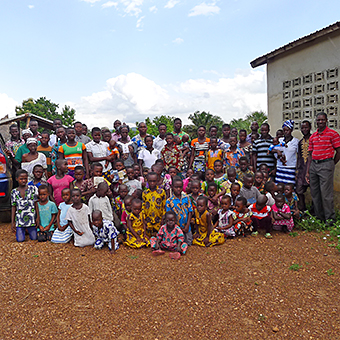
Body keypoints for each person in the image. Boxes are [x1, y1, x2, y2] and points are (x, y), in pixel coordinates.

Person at [306, 112, 340, 225]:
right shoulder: (313, 136)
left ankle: (330, 220)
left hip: (326, 164)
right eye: (318, 120)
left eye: (322, 120)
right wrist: (308, 171)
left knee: (326, 194)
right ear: (316, 121)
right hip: (314, 166)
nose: (320, 122)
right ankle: (319, 218)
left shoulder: (333, 134)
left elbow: (338, 151)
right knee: (315, 193)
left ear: (326, 121)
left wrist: (331, 163)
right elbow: (310, 154)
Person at [11, 169, 38, 242]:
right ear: (16, 179)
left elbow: (36, 204)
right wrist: (12, 222)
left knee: (34, 238)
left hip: (31, 218)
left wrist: (37, 218)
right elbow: (13, 207)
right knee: (20, 240)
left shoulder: (32, 189)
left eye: (25, 179)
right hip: (20, 219)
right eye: (21, 179)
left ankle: (27, 230)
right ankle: (22, 231)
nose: (23, 181)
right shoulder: (14, 192)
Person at [165, 177, 193, 245]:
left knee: (189, 243)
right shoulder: (169, 201)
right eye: (176, 187)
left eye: (180, 187)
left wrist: (187, 225)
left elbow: (190, 211)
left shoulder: (186, 197)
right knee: (176, 243)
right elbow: (169, 216)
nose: (178, 189)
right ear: (172, 187)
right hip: (175, 228)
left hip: (187, 226)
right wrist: (177, 227)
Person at [273, 120, 299, 185]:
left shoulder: (296, 141)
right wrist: (277, 151)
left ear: (291, 130)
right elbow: (271, 149)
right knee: (279, 188)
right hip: (280, 168)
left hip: (291, 168)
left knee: (290, 188)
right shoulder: (279, 140)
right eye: (284, 130)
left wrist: (297, 169)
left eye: (288, 130)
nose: (286, 132)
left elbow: (299, 156)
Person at [142, 172, 166, 236]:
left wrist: (163, 218)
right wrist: (144, 219)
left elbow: (164, 206)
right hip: (148, 220)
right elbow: (143, 207)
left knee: (159, 236)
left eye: (154, 181)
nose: (152, 183)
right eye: (150, 181)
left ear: (157, 181)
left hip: (159, 220)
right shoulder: (145, 193)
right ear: (147, 181)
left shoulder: (161, 192)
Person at [296, 120, 311, 212]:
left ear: (310, 128)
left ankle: (314, 211)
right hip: (302, 170)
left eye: (306, 127)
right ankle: (302, 209)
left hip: (312, 170)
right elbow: (299, 157)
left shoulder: (314, 139)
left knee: (315, 192)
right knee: (299, 190)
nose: (304, 129)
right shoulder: (300, 142)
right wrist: (297, 171)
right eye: (302, 128)